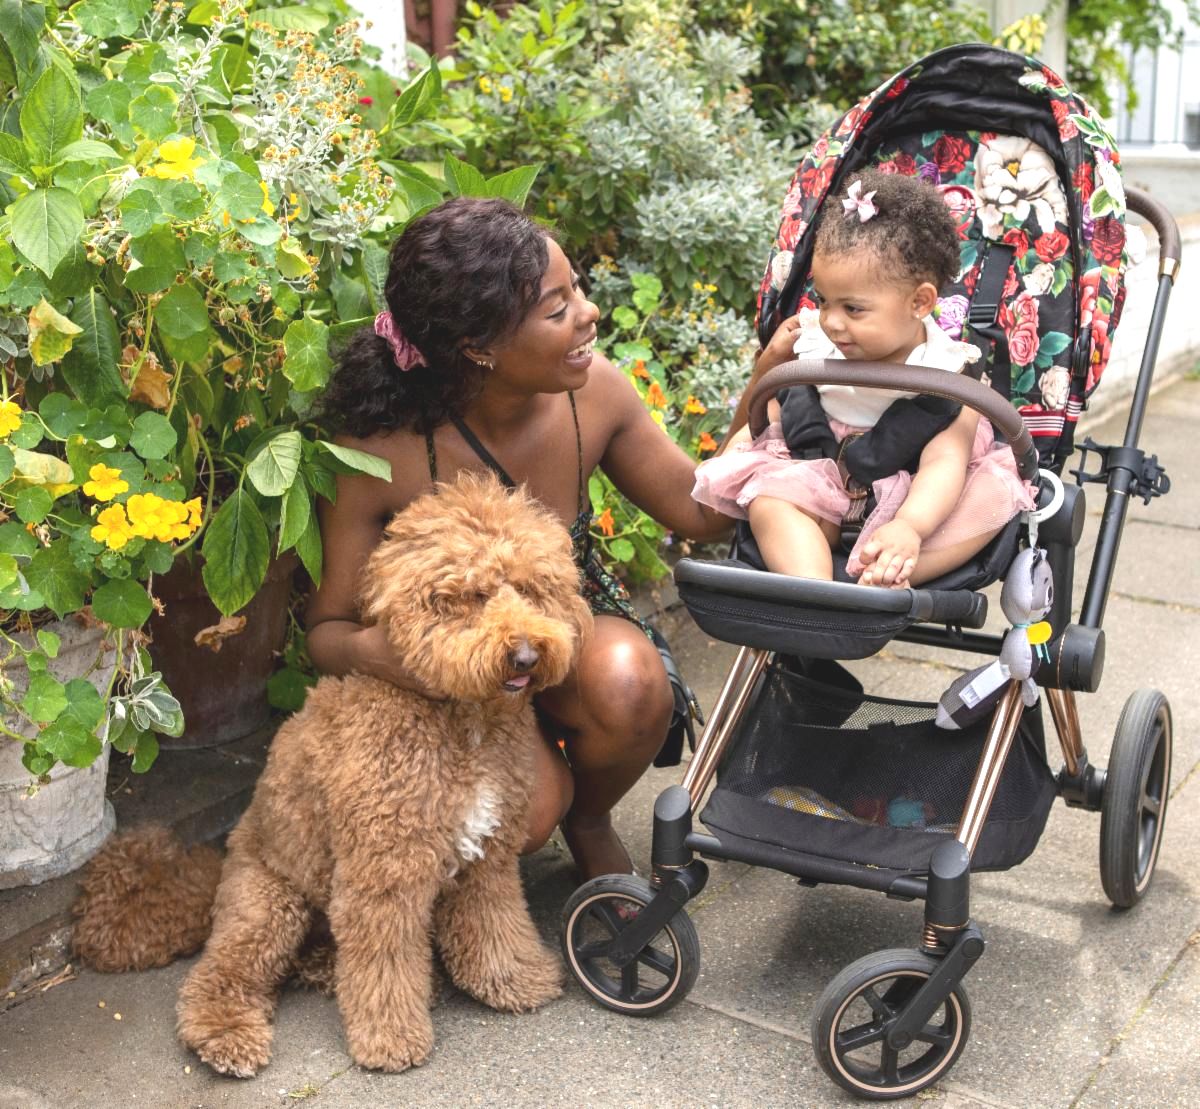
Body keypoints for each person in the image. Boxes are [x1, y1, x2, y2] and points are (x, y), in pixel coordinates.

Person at [306, 196, 743, 882]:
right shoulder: (381, 451)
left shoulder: (594, 394)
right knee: (528, 814)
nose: (589, 313)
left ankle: (591, 818)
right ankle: (540, 802)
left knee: (632, 684)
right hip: (447, 680)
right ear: (478, 347)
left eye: (579, 292)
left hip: (560, 631)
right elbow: (326, 632)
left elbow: (703, 511)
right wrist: (407, 656)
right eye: (557, 308)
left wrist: (773, 395)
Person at [692, 168, 1036, 588]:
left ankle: (886, 574)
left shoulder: (948, 372)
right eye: (823, 300)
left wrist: (910, 525)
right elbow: (779, 407)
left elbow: (944, 462)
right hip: (816, 479)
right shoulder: (811, 343)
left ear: (919, 302)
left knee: (992, 497)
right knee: (769, 496)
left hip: (916, 500)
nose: (832, 321)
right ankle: (814, 592)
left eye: (853, 309)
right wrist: (743, 444)